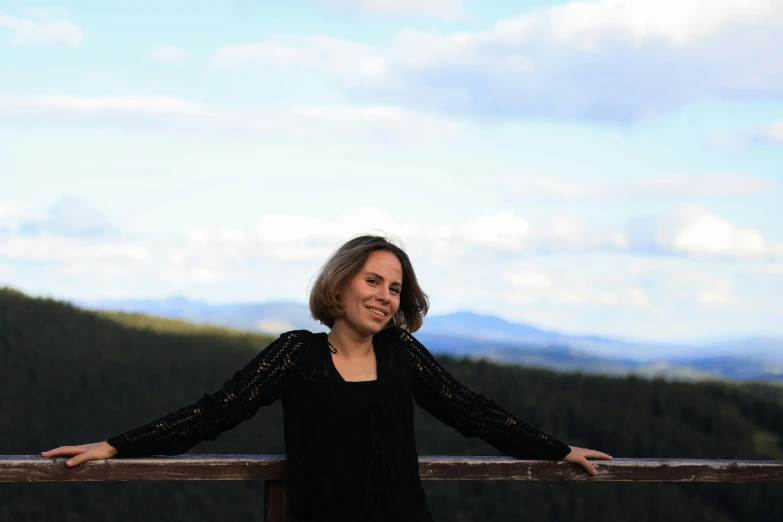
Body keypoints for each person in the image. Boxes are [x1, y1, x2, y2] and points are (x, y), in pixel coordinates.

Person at [41, 233, 612, 521]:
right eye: (372, 281)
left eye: (395, 288)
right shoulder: (296, 356)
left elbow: (474, 412)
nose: (385, 297)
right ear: (339, 286)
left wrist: (557, 449)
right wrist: (116, 446)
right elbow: (214, 412)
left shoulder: (403, 356)